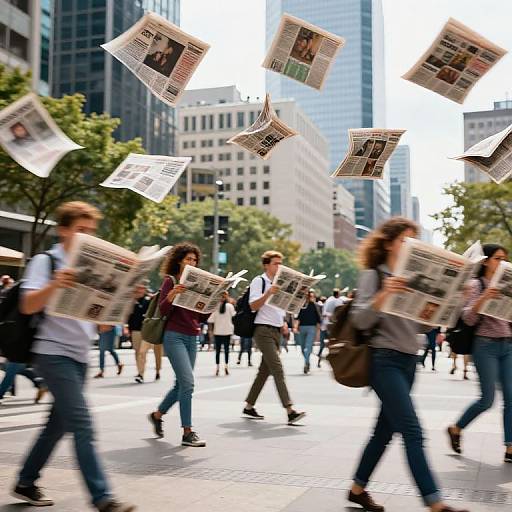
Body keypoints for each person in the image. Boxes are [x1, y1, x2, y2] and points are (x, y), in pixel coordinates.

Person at [12, 201, 136, 511]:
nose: (86, 237)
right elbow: (27, 306)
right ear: (63, 230)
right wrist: (56, 283)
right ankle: (103, 498)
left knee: (58, 425)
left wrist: (126, 295)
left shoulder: (90, 267)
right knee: (82, 423)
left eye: (91, 232)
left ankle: (26, 481)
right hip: (51, 352)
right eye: (81, 231)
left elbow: (105, 322)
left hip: (80, 356)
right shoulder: (47, 261)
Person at [348, 217, 467, 512]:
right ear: (389, 243)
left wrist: (443, 306)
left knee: (384, 432)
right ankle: (435, 503)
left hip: (409, 361)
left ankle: (357, 489)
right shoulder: (374, 276)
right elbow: (359, 319)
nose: (409, 246)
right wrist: (385, 293)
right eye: (405, 240)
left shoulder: (414, 278)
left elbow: (419, 329)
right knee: (412, 431)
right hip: (383, 360)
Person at [448, 243, 512, 463]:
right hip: (485, 346)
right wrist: (485, 298)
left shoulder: (508, 284)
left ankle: (510, 447)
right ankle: (457, 428)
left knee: (511, 398)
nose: (502, 263)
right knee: (487, 399)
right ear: (486, 261)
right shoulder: (477, 285)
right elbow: (467, 318)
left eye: (505, 259)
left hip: (507, 345)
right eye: (497, 258)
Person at [148, 243, 208, 447]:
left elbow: (201, 317)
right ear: (179, 261)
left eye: (194, 260)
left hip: (193, 336)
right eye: (188, 259)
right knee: (188, 383)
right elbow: (162, 310)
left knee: (181, 384)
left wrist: (214, 301)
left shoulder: (198, 284)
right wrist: (172, 294)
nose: (192, 262)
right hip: (174, 336)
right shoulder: (170, 281)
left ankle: (157, 415)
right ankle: (187, 432)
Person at [242, 250, 306, 425]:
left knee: (265, 371)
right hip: (263, 331)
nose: (279, 266)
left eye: (280, 263)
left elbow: (283, 308)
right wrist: (269, 292)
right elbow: (253, 305)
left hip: (277, 331)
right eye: (275, 263)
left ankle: (248, 406)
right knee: (277, 368)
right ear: (266, 265)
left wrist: (284, 322)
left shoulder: (282, 283)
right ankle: (290, 410)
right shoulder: (260, 281)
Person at [129, 291, 163, 383]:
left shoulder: (149, 300)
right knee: (139, 352)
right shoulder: (131, 301)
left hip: (149, 331)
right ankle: (140, 373)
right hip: (136, 330)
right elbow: (130, 317)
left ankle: (157, 370)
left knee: (154, 352)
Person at [208, 291, 235, 376]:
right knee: (227, 350)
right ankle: (226, 367)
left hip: (218, 332)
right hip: (227, 331)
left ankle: (217, 368)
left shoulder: (216, 307)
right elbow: (234, 316)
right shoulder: (230, 306)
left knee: (218, 351)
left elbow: (210, 320)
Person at [294, 290, 321, 374]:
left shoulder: (314, 305)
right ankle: (307, 361)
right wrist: (295, 327)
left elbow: (318, 319)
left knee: (308, 346)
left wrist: (318, 331)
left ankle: (306, 363)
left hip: (311, 328)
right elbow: (298, 318)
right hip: (302, 328)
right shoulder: (302, 306)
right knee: (302, 348)